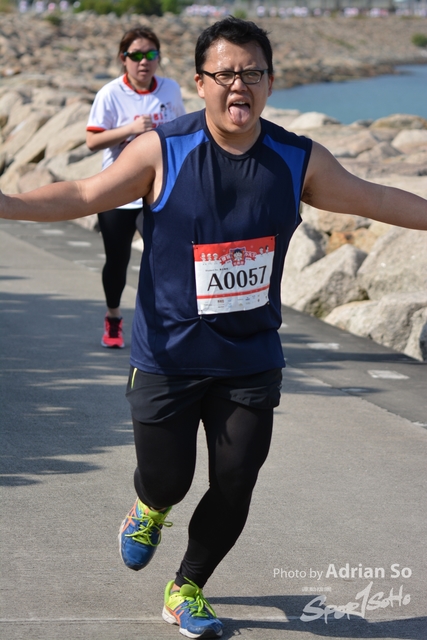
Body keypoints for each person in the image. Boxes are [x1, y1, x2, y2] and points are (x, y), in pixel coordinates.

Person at [1, 16, 426, 640]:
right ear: (199, 83)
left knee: (235, 480)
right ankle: (149, 507)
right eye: (224, 73)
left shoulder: (296, 158)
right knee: (168, 479)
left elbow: (376, 198)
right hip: (169, 354)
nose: (238, 85)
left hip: (250, 356)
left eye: (252, 72)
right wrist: (7, 204)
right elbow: (85, 194)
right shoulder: (163, 149)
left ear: (271, 82)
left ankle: (187, 587)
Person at [86, 26, 186, 348]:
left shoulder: (170, 89)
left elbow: (182, 132)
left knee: (164, 257)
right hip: (117, 191)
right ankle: (114, 317)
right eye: (137, 55)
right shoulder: (110, 94)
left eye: (151, 54)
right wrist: (129, 129)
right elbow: (92, 140)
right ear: (123, 58)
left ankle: (163, 324)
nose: (144, 61)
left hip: (158, 191)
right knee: (117, 261)